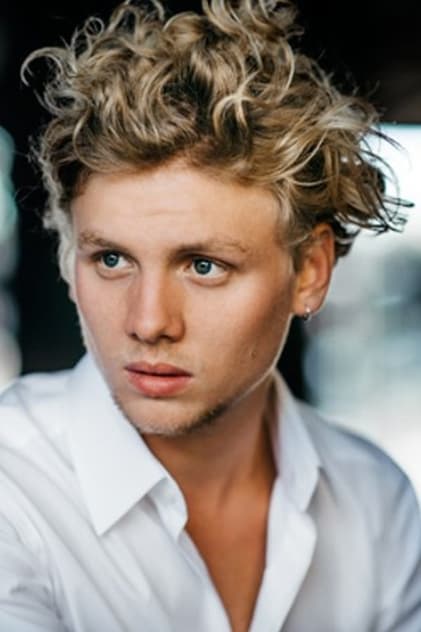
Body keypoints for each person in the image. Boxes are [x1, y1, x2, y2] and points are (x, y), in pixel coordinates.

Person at [1, 1, 420, 630]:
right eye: (112, 259)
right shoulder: (12, 487)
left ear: (310, 271)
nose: (148, 322)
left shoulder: (375, 500)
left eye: (204, 266)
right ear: (68, 259)